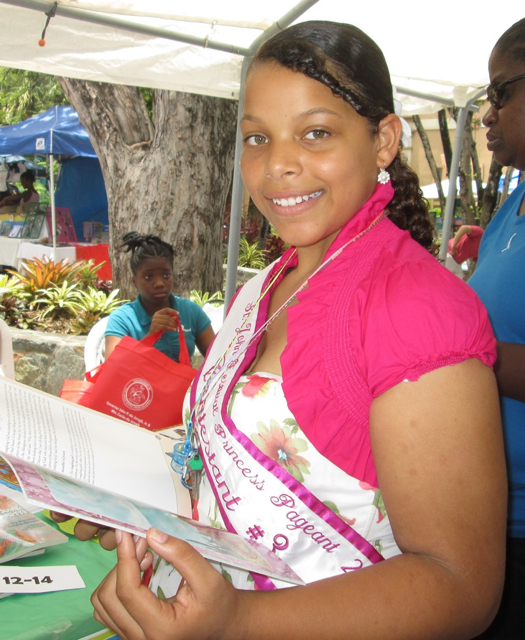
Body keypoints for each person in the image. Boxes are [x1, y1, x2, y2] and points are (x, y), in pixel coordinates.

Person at [59, 21, 506, 639]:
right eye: (256, 138)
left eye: (315, 132)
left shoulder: (418, 309)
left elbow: (460, 584)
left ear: (383, 140)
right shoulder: (265, 285)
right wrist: (139, 510)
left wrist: (237, 622)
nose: (278, 166)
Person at [468, 17, 525, 639]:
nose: (487, 112)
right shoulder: (513, 201)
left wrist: (464, 353)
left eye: (500, 90)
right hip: (488, 512)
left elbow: (483, 344)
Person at [105, 232, 215, 362]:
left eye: (166, 275)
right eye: (148, 277)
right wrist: (151, 336)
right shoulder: (122, 319)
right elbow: (112, 368)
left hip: (184, 382)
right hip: (141, 382)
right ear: (134, 282)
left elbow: (218, 358)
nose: (159, 283)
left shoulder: (191, 311)